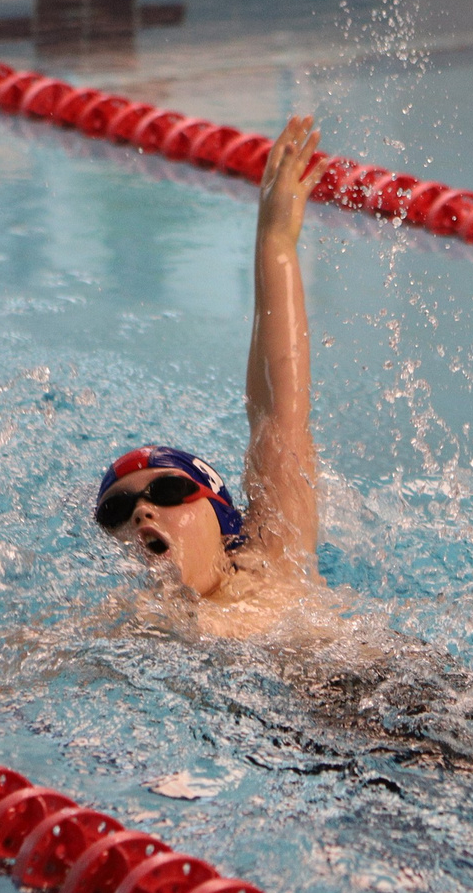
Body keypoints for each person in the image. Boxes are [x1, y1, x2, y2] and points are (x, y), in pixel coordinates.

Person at [91, 114, 325, 637]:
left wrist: (276, 241)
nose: (142, 512)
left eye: (169, 490)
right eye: (117, 510)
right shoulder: (128, 628)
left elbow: (278, 414)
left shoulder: (274, 559)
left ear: (222, 518)